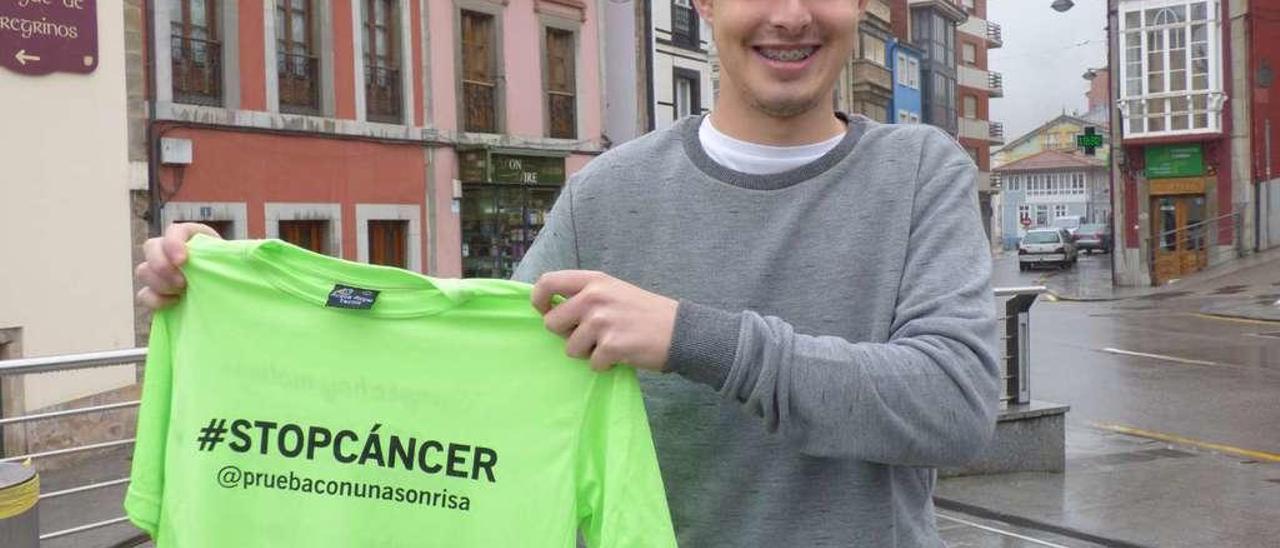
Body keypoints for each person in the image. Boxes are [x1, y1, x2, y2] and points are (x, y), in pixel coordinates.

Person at [136, 0, 999, 545]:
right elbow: (463, 379)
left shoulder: (919, 172)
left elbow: (955, 406)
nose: (790, 16)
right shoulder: (609, 195)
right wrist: (234, 304)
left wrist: (688, 337)